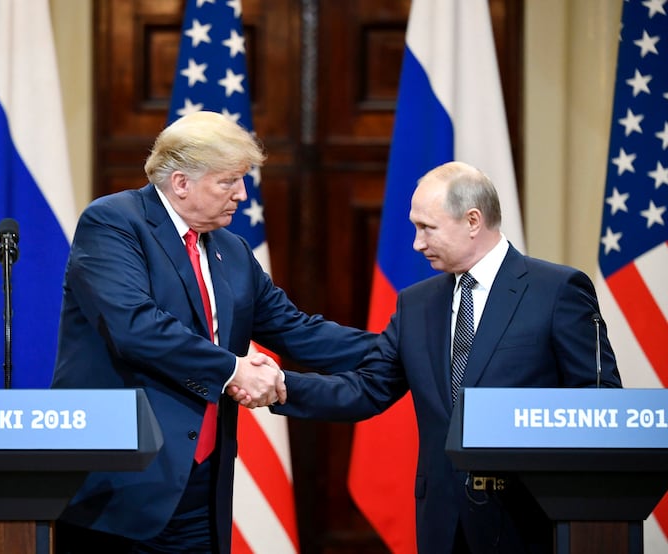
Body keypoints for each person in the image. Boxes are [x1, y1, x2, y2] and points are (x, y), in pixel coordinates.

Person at [247, 161, 622, 553]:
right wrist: (281, 387)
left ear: (473, 220)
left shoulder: (557, 290)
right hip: (443, 522)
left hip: (529, 519)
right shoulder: (418, 303)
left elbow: (598, 404)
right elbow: (369, 388)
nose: (416, 243)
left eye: (427, 228)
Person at [50, 110, 376, 553]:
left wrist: (403, 349)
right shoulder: (114, 223)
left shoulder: (232, 250)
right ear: (181, 182)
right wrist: (234, 370)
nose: (241, 194)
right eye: (228, 182)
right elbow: (136, 327)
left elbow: (295, 329)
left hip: (202, 489)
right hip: (121, 489)